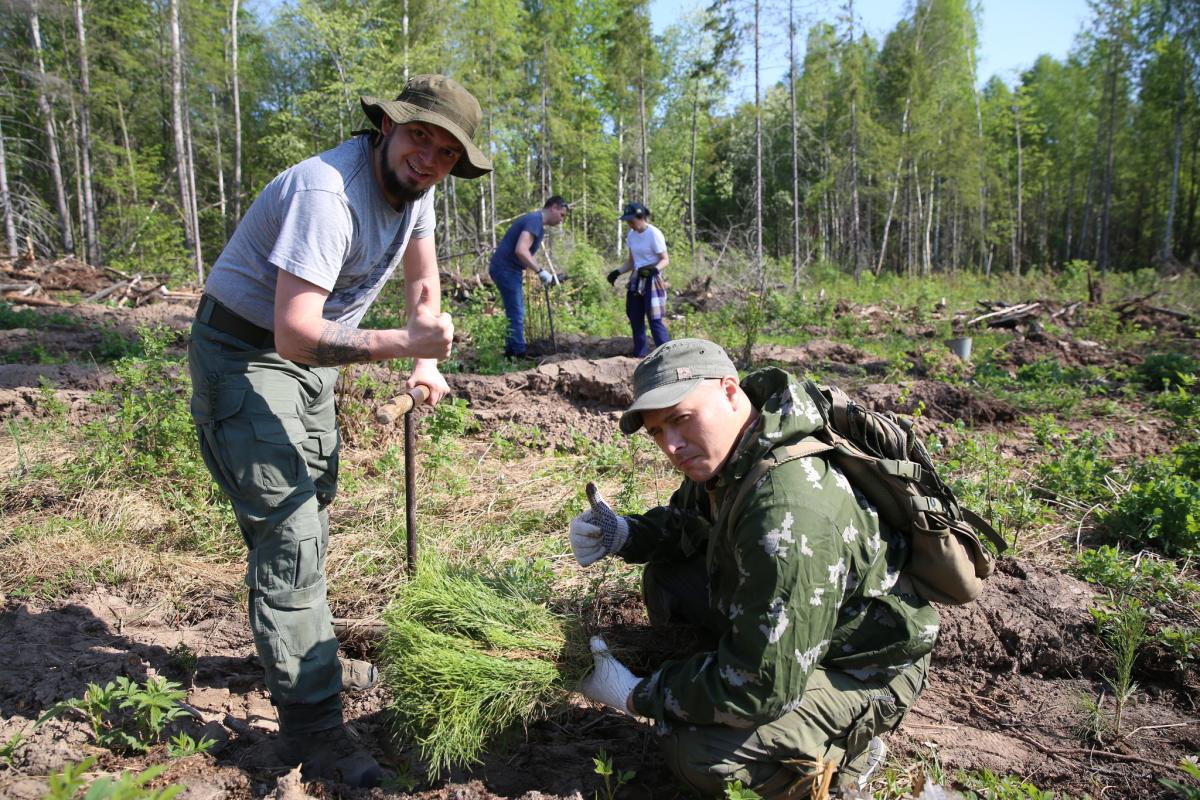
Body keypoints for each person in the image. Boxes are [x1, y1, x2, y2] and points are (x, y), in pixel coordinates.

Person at [187, 74, 492, 787]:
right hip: (246, 353)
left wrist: (426, 356)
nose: (430, 159)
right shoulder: (326, 195)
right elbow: (294, 333)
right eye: (421, 137)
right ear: (386, 126)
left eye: (448, 152)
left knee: (310, 505)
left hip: (311, 360)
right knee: (289, 530)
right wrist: (399, 346)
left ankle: (308, 654)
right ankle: (314, 729)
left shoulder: (420, 189)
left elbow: (423, 284)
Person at [568, 339, 936, 797]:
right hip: (801, 631)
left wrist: (637, 695)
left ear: (729, 391)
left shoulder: (788, 512)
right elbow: (691, 522)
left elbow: (762, 686)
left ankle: (845, 756)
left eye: (680, 420)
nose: (672, 445)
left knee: (698, 753)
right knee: (667, 576)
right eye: (658, 432)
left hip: (863, 667)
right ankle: (725, 671)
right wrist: (626, 533)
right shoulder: (742, 448)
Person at [488, 196, 570, 358]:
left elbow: (522, 252)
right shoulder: (534, 221)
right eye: (562, 215)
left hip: (508, 269)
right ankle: (518, 353)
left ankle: (511, 352)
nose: (562, 220)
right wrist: (540, 271)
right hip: (506, 269)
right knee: (517, 312)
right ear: (553, 207)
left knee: (515, 311)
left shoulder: (535, 221)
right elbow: (521, 250)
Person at [606, 202, 670, 357]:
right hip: (637, 277)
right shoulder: (631, 235)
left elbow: (665, 259)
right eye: (627, 221)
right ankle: (640, 355)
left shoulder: (654, 234)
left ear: (641, 217)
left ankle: (668, 355)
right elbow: (632, 262)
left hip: (653, 279)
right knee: (635, 316)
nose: (630, 224)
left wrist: (654, 269)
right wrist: (617, 272)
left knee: (654, 320)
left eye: (632, 221)